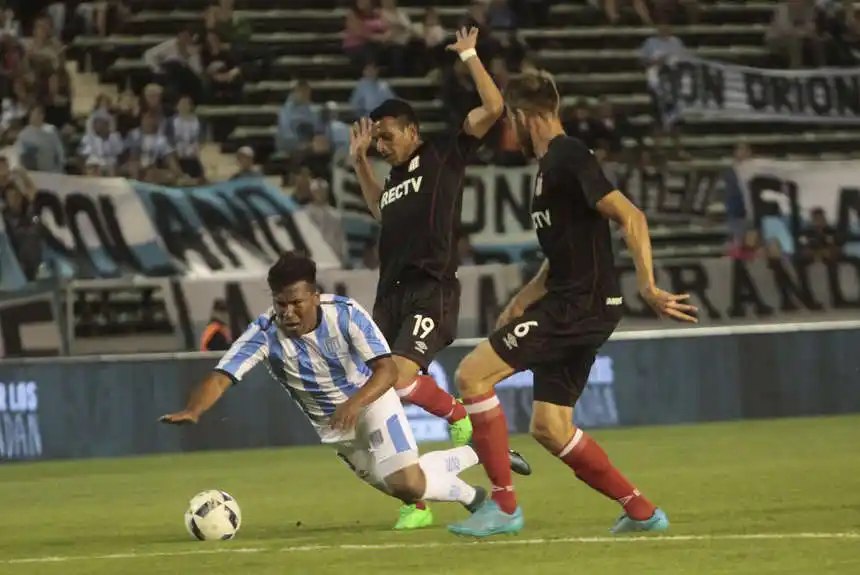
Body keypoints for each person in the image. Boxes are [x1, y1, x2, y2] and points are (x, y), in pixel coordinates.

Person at [446, 71, 699, 538]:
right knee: (550, 426)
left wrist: (648, 285)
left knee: (471, 375)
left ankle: (502, 507)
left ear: (523, 116)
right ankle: (641, 512)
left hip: (578, 306)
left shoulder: (569, 156)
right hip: (578, 303)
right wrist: (522, 299)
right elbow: (563, 254)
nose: (509, 132)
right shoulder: (549, 169)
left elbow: (631, 216)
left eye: (510, 122)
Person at [160, 251, 530, 530]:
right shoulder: (263, 334)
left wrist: (355, 403)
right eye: (280, 304)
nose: (287, 312)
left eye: (296, 303)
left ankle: (481, 462)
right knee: (406, 489)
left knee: (406, 480)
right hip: (334, 427)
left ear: (314, 296)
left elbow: (387, 371)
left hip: (372, 402)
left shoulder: (346, 314)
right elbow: (220, 376)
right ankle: (475, 482)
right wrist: (195, 410)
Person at [349, 26, 512, 529]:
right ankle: (416, 501)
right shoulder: (395, 179)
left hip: (430, 289)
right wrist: (359, 164)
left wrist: (470, 55)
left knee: (396, 378)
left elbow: (493, 108)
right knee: (375, 398)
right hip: (389, 297)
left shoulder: (443, 155)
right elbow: (382, 211)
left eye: (386, 137)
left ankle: (458, 416)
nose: (381, 145)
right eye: (376, 139)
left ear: (412, 131)